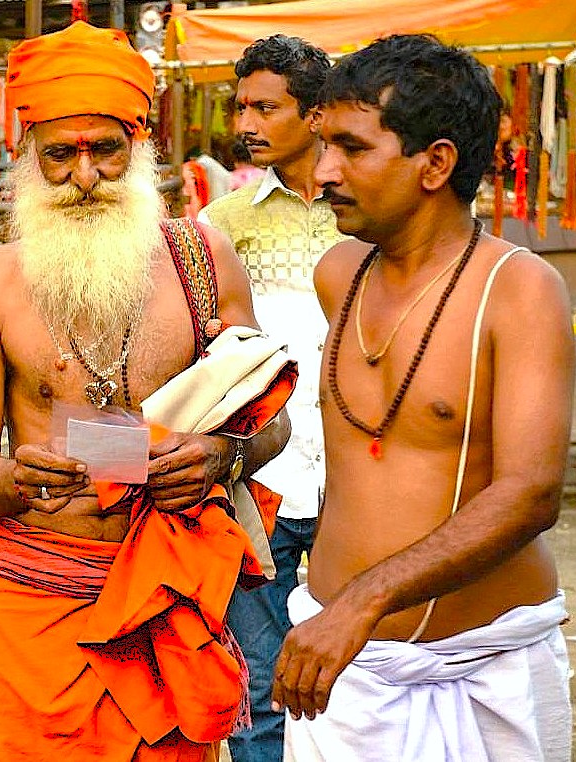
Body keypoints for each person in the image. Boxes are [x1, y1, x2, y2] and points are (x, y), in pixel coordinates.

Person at [0, 21, 290, 761]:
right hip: (22, 598)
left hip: (162, 605)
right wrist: (10, 477)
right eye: (60, 154)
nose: (85, 175)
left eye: (105, 148)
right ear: (28, 154)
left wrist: (224, 457)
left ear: (140, 141)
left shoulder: (204, 258)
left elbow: (273, 425)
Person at [272, 35, 576, 761]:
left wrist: (363, 602)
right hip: (343, 670)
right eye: (322, 145)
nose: (322, 173)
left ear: (434, 163)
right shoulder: (336, 274)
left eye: (351, 147)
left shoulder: (518, 289)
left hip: (487, 667)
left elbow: (531, 494)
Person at [196, 34, 345, 762]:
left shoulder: (370, 214)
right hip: (261, 478)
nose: (245, 123)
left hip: (359, 479)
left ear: (315, 114)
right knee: (257, 679)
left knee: (362, 675)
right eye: (240, 106)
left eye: (266, 107)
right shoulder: (223, 225)